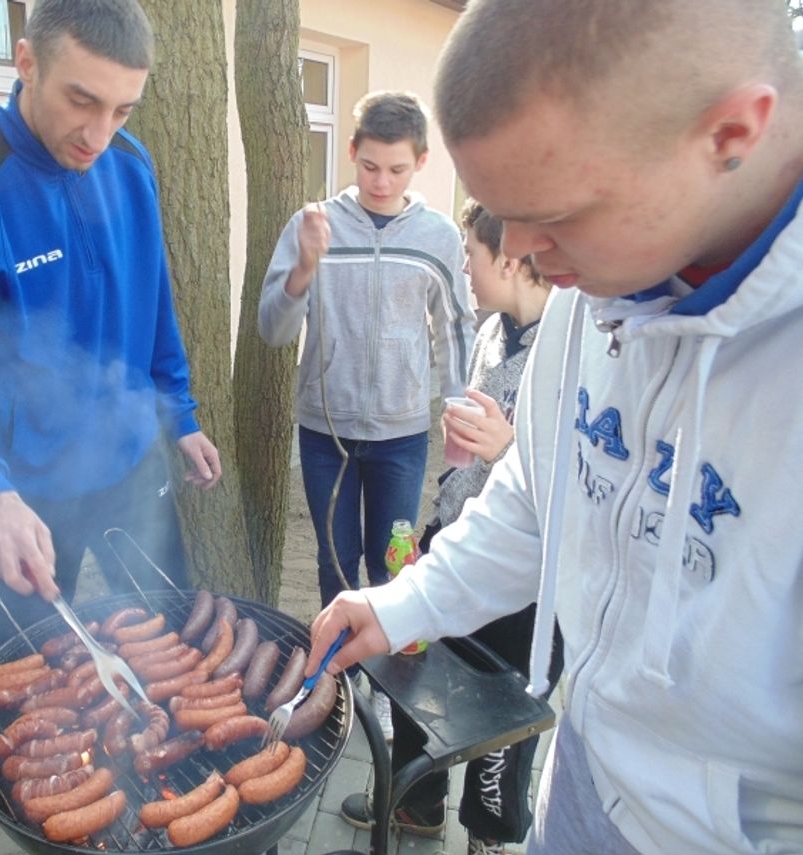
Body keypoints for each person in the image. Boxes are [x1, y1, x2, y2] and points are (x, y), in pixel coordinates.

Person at [307, 1, 803, 853]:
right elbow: (537, 498)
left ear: (731, 132)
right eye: (501, 213)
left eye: (558, 213)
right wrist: (403, 602)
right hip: (579, 786)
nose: (525, 255)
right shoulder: (591, 289)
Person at [0, 0, 220, 647]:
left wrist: (179, 413)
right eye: (81, 100)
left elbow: (153, 305)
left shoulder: (130, 166)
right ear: (27, 63)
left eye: (122, 110)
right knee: (36, 670)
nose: (98, 134)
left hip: (133, 463)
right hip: (26, 494)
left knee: (173, 641)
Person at [340, 201, 565, 854]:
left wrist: (507, 448)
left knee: (498, 727)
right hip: (461, 545)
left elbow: (570, 490)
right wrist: (440, 514)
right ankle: (418, 804)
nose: (463, 266)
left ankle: (487, 839)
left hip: (525, 593)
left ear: (511, 256)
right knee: (419, 677)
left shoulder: (565, 351)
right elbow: (471, 455)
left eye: (471, 253)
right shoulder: (494, 330)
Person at [258, 90, 475, 741]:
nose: (381, 182)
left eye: (397, 169)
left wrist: (457, 403)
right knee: (333, 563)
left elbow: (457, 327)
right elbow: (272, 327)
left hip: (402, 436)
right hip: (325, 436)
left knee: (393, 567)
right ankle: (336, 683)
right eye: (370, 165)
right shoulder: (314, 224)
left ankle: (386, 690)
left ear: (421, 164)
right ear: (350, 153)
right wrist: (303, 268)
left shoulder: (437, 236)